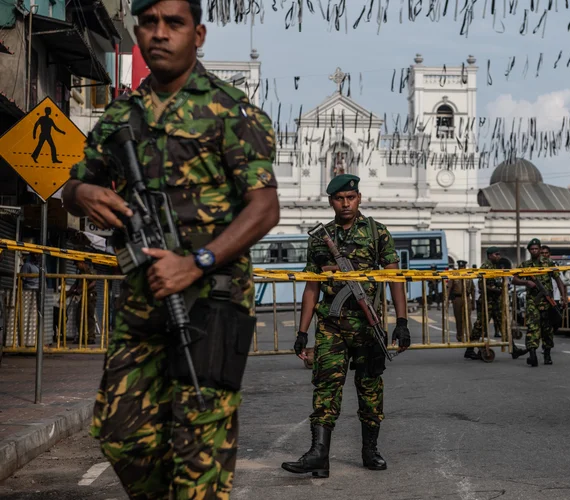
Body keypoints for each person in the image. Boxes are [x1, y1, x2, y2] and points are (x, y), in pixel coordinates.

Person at [61, 0, 280, 496]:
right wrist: (84, 193)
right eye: (150, 23)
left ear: (197, 35)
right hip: (141, 303)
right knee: (120, 435)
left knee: (198, 451)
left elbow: (264, 208)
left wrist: (196, 262)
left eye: (174, 23)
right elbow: (72, 188)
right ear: (137, 32)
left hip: (212, 304)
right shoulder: (120, 115)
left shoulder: (232, 112)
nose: (160, 33)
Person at [283, 174, 410, 478]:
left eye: (350, 198)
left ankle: (370, 449)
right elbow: (311, 286)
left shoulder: (377, 233)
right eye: (339, 199)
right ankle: (319, 455)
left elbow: (395, 280)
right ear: (331, 201)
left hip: (367, 327)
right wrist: (302, 332)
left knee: (369, 389)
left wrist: (402, 322)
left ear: (359, 198)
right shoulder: (319, 237)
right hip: (331, 325)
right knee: (325, 388)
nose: (345, 204)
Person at [513, 239, 567, 367]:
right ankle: (533, 356)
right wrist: (526, 282)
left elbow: (558, 280)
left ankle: (547, 355)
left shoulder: (548, 263)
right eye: (532, 249)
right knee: (532, 327)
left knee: (547, 328)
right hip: (533, 301)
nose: (534, 251)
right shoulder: (525, 265)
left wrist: (563, 296)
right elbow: (514, 279)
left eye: (536, 249)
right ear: (529, 251)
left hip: (548, 300)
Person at [69, 261, 99, 344]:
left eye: (77, 264)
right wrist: (68, 293)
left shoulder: (91, 271)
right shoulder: (80, 273)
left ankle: (90, 337)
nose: (77, 266)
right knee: (79, 316)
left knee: (89, 316)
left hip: (90, 296)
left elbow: (93, 282)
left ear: (82, 263)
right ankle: (81, 336)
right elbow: (75, 284)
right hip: (82, 296)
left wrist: (82, 290)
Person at [447, 260, 475, 342]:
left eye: (463, 267)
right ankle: (460, 335)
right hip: (457, 299)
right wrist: (447, 300)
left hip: (467, 298)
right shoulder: (454, 275)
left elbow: (473, 289)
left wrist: (473, 301)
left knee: (468, 318)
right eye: (460, 267)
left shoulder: (469, 275)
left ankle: (470, 335)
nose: (462, 268)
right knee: (459, 318)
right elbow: (449, 288)